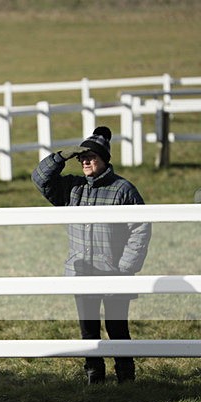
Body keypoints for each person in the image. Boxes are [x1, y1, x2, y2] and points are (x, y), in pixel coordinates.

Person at [32, 126, 151, 384]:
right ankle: (94, 374)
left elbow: (141, 227)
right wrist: (60, 157)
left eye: (91, 157)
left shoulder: (123, 189)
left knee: (117, 327)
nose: (85, 161)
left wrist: (125, 266)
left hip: (114, 273)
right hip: (81, 270)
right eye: (82, 158)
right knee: (88, 328)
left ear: (104, 160)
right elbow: (40, 179)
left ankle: (126, 376)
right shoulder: (71, 188)